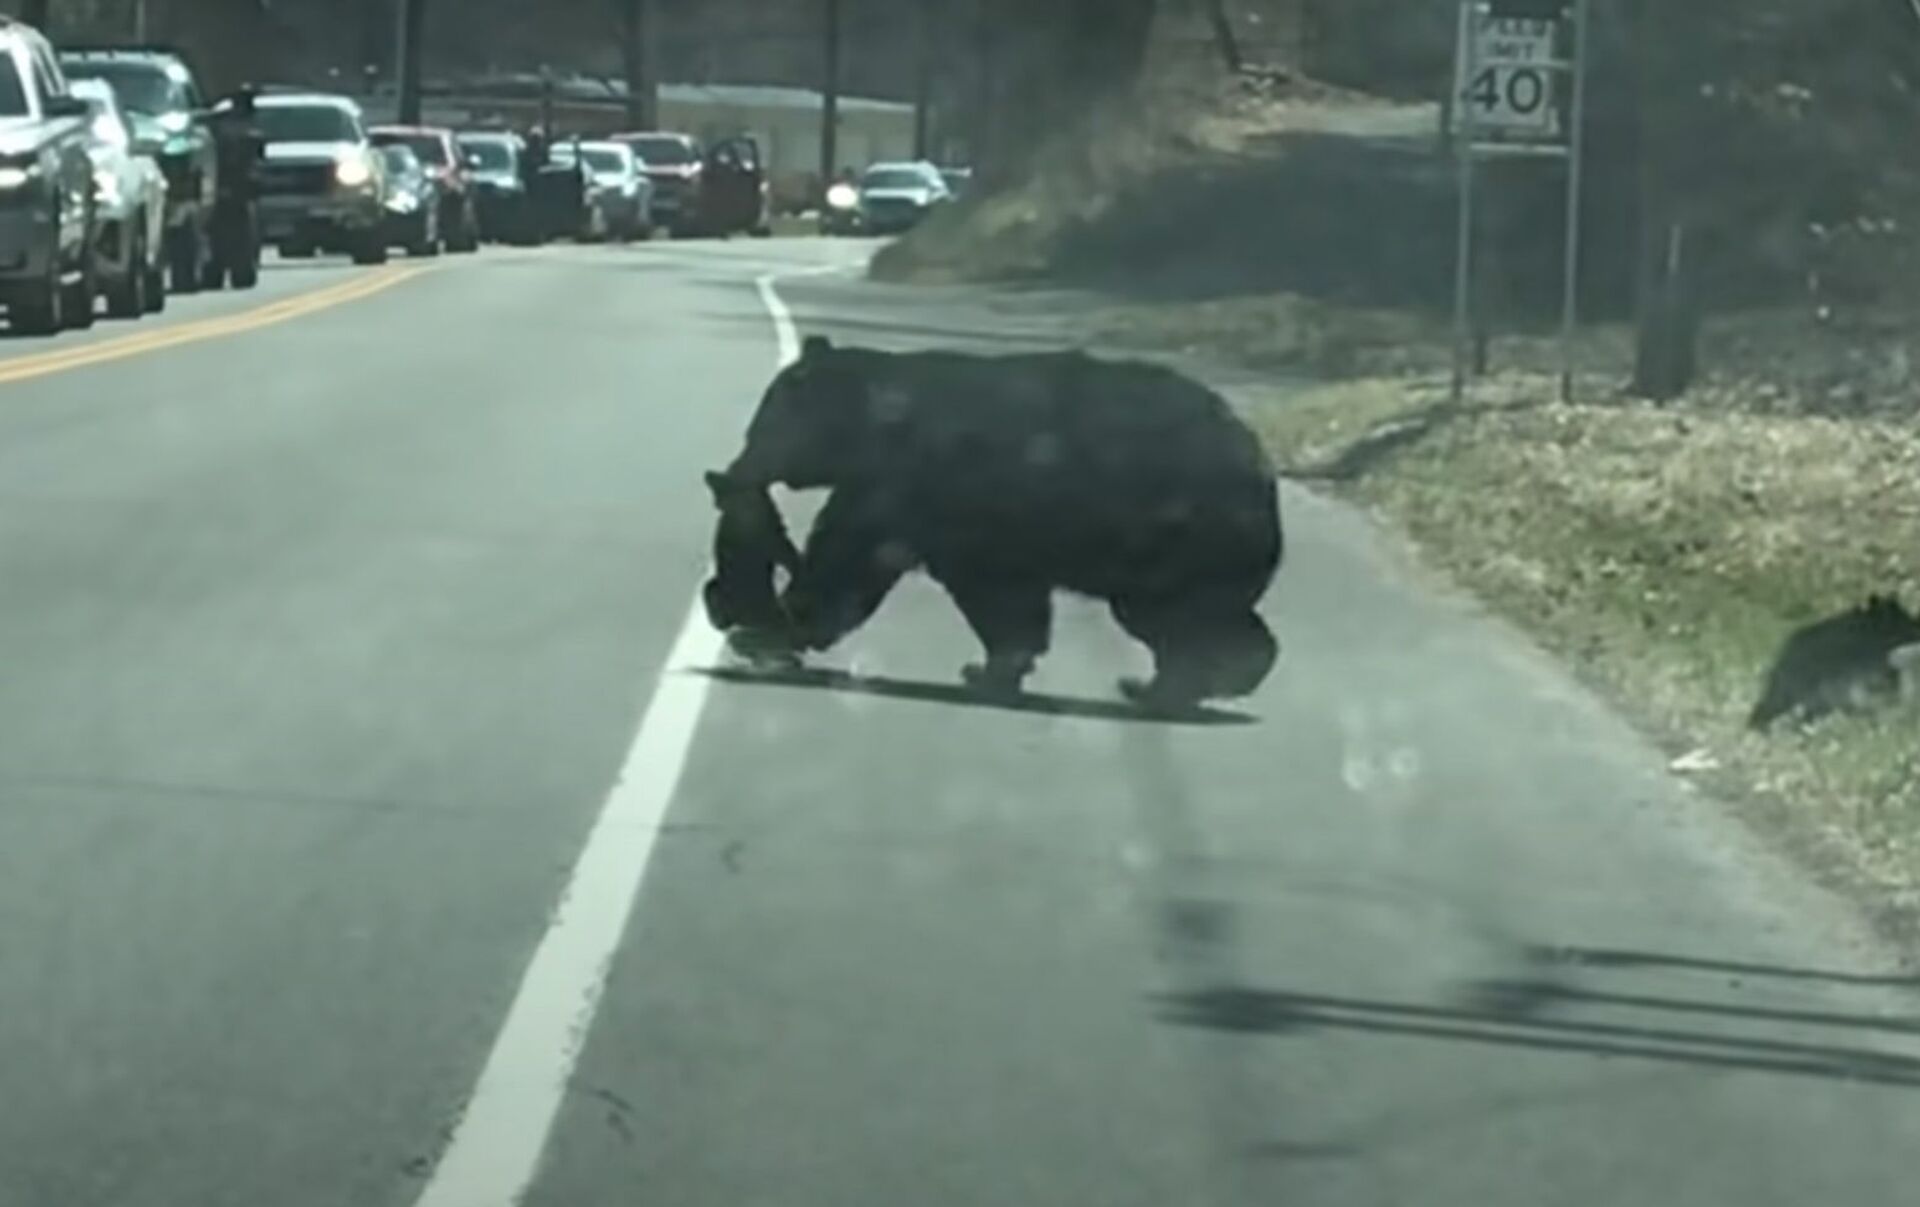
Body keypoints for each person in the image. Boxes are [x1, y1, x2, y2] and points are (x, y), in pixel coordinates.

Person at [206, 83, 263, 288]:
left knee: (242, 232)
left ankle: (239, 270)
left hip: (239, 189)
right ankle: (217, 270)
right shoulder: (224, 126)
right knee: (222, 231)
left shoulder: (248, 129)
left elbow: (257, 160)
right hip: (226, 186)